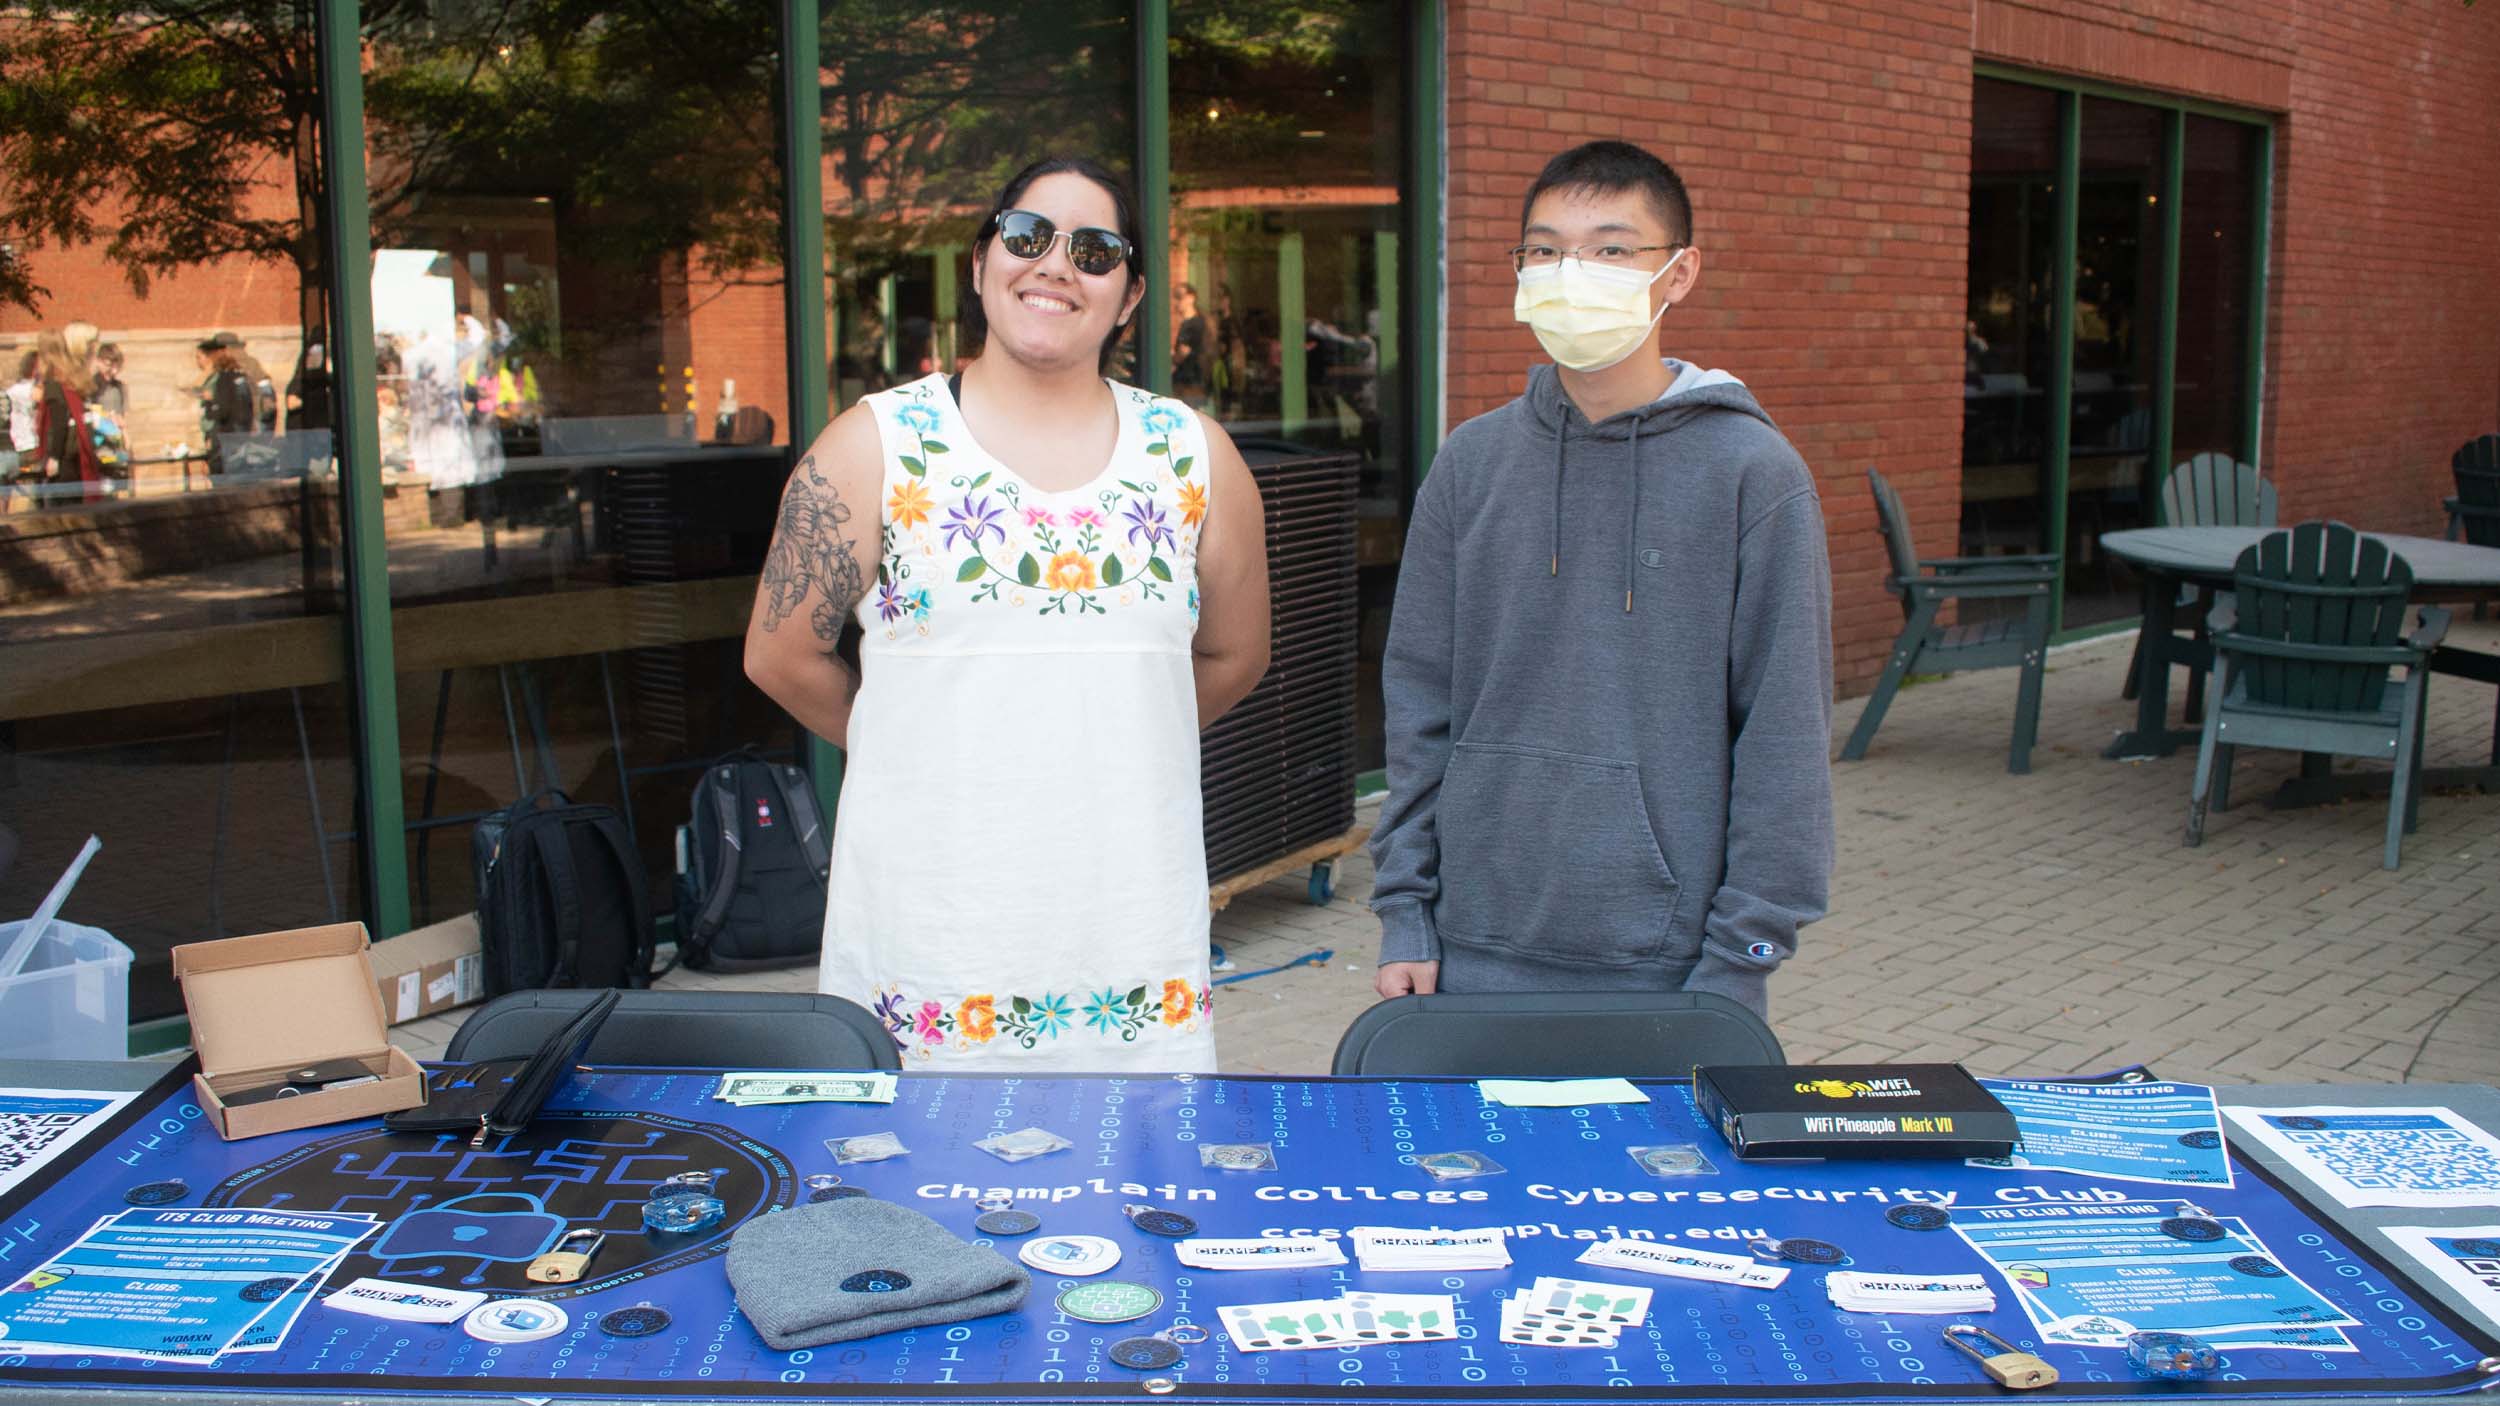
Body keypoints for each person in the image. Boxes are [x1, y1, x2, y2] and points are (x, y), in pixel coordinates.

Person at [744, 155, 1270, 1072]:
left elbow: (1233, 655)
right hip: (933, 939)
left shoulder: (1194, 457)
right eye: (1028, 236)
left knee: (1140, 1191)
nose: (1056, 265)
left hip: (1129, 941)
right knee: (912, 1200)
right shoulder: (873, 446)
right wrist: (912, 739)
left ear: (1132, 294)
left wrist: (1099, 737)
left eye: (1095, 250)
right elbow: (780, 654)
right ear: (982, 261)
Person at [1368, 139, 1834, 1021]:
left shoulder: (1753, 475)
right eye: (1544, 250)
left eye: (1611, 250)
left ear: (1680, 273)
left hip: (1673, 972)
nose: (1569, 273)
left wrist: (1744, 963)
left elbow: (1785, 740)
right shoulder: (1472, 464)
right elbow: (1420, 705)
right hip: (1465, 955)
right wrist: (1406, 916)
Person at [33, 329, 101, 502]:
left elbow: (59, 423)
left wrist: (54, 457)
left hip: (64, 451)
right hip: (76, 445)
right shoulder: (71, 376)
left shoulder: (54, 381)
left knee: (63, 506)